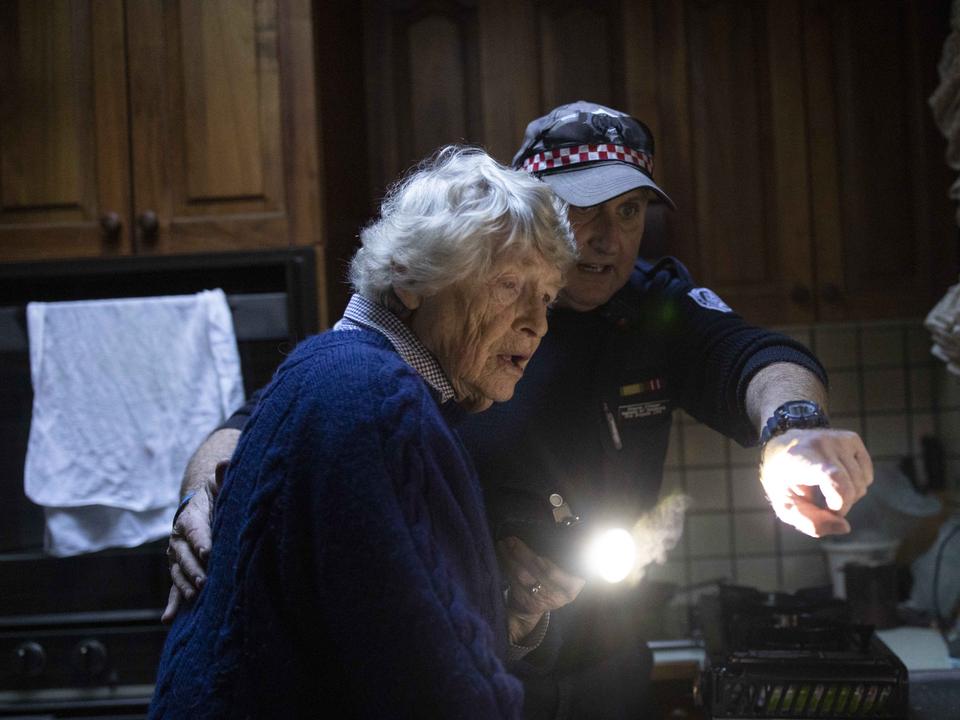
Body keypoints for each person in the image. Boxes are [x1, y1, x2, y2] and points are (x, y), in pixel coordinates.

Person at [165, 103, 875, 719]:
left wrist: (792, 431)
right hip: (495, 671)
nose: (606, 238)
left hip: (587, 662)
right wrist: (204, 496)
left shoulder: (651, 308)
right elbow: (256, 436)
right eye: (513, 286)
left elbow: (754, 357)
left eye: (630, 212)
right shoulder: (385, 382)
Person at [149, 147, 578, 719]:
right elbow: (430, 691)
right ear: (411, 279)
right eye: (509, 285)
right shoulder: (374, 402)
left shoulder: (345, 373)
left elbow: (381, 640)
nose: (538, 322)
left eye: (546, 296)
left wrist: (510, 616)